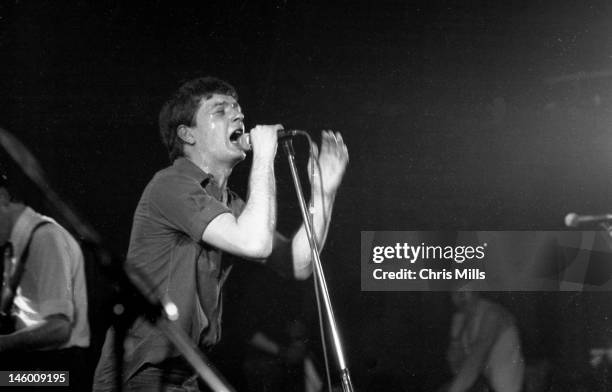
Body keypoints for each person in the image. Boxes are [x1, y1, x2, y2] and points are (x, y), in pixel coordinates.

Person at [93, 76, 348, 391]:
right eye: (220, 111)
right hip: (140, 375)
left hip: (185, 374)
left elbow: (298, 263)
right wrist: (265, 156)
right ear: (187, 134)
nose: (238, 115)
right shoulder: (171, 183)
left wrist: (323, 195)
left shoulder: (230, 204)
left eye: (237, 108)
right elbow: (254, 243)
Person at [0, 171, 90, 389]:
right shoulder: (16, 242)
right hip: (33, 366)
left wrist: (2, 343)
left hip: (57, 374)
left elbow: (59, 329)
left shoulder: (45, 239)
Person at [442, 291, 524, 392]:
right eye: (454, 290)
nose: (460, 295)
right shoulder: (461, 320)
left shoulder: (493, 313)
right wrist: (456, 340)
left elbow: (476, 359)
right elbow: (457, 370)